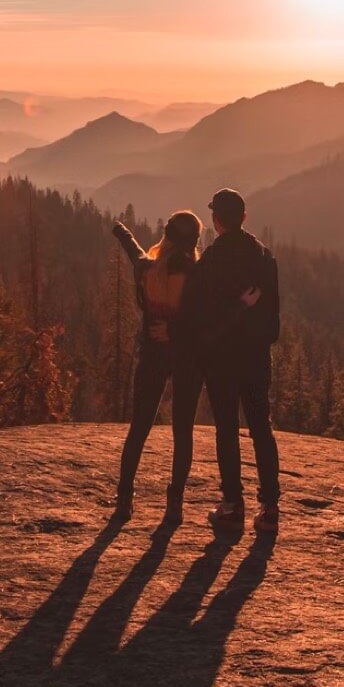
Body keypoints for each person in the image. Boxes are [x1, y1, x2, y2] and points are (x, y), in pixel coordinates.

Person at [178, 188, 282, 535]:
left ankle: (232, 506)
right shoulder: (264, 257)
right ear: (244, 218)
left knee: (226, 429)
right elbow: (273, 319)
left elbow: (197, 314)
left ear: (216, 220)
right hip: (256, 357)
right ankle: (269, 509)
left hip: (222, 360)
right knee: (261, 429)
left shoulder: (211, 260)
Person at [110, 212, 206, 522]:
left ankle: (124, 498)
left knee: (139, 428)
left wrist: (121, 231)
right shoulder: (197, 276)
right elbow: (203, 321)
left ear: (166, 237)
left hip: (153, 355)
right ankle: (174, 503)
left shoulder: (147, 269)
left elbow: (134, 249)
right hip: (188, 358)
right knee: (183, 432)